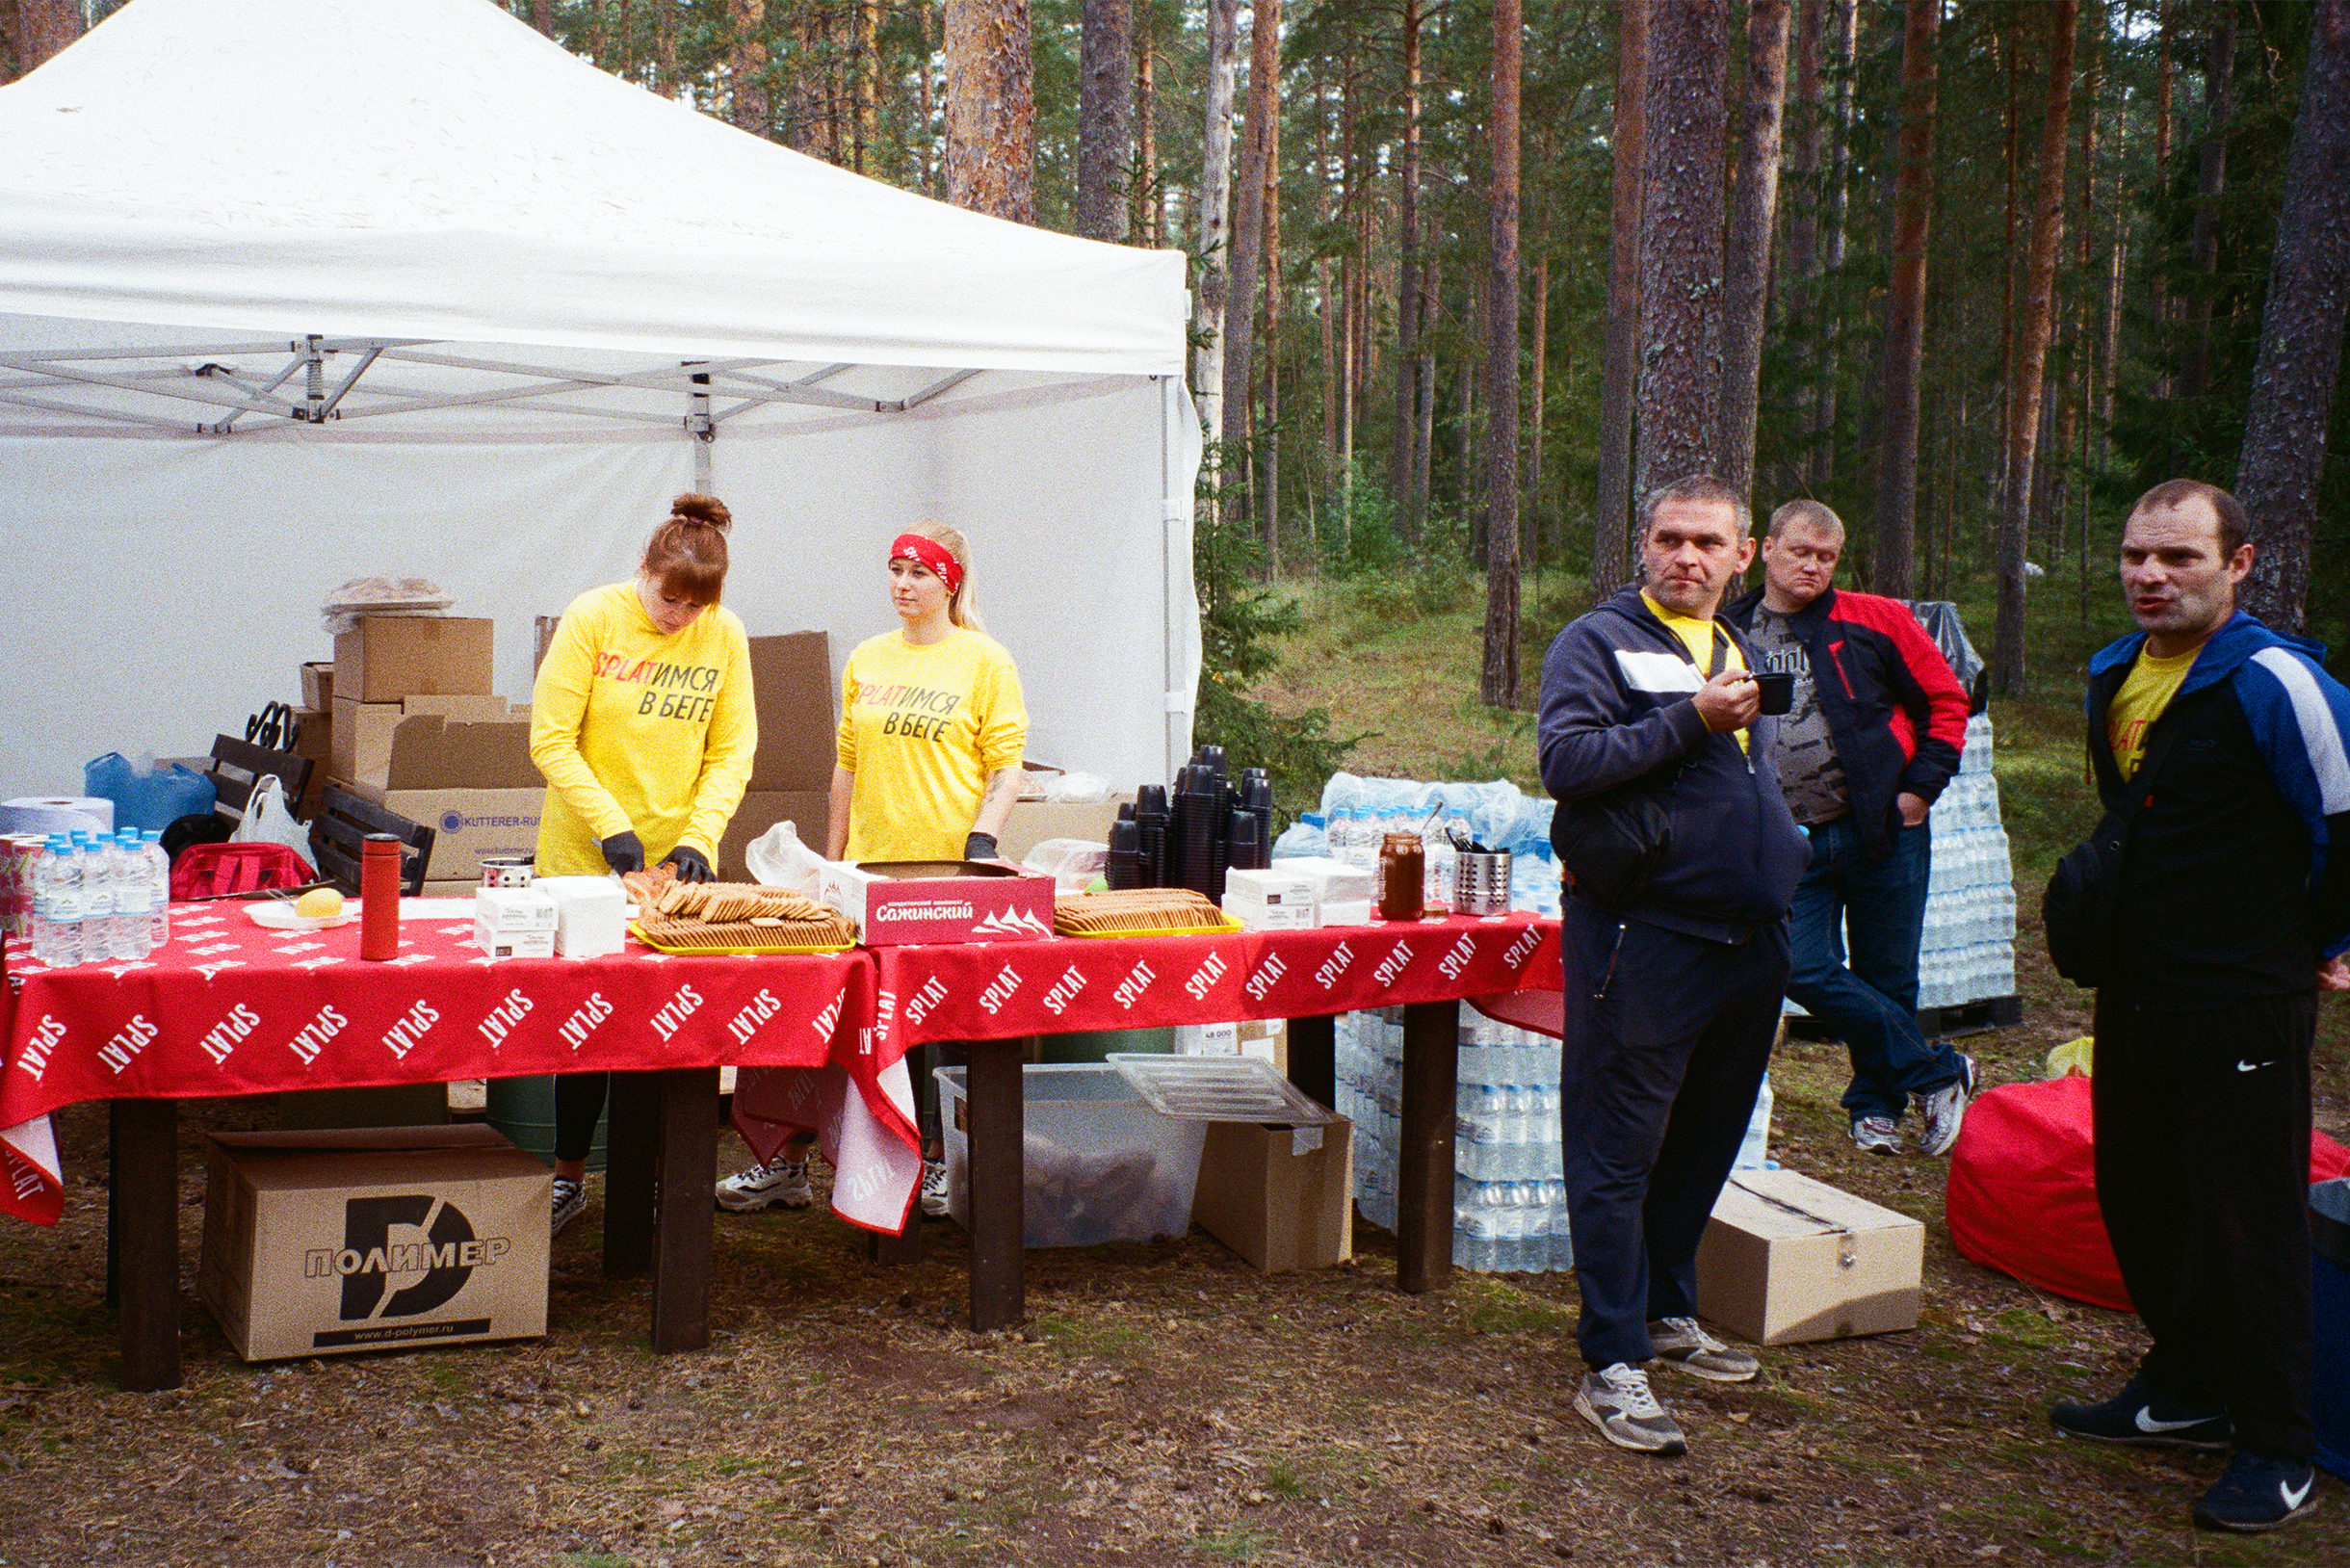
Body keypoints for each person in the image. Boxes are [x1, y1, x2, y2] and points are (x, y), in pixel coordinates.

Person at [2048, 479, 2350, 1533]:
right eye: (2137, 554)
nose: (2151, 575)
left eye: (2179, 557)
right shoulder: (2115, 671)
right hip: (2139, 983)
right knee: (2143, 1193)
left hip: (2242, 994)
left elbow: (2345, 815)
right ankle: (2187, 1387)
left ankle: (2276, 1442)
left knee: (2244, 1214)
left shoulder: (2276, 681)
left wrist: (2326, 941)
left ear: (2239, 563)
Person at [1538, 473, 1810, 1455]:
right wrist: (1690, 718)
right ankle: (1611, 1358)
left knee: (1703, 1138)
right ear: (1643, 542)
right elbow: (1566, 763)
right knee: (1617, 1146)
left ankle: (1663, 1310)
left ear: (1744, 555)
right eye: (1669, 538)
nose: (1686, 557)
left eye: (1708, 542)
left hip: (1749, 938)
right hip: (1644, 934)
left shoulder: (1737, 642)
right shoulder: (1597, 642)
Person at [714, 522, 1027, 1220]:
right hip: (866, 876)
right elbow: (846, 766)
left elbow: (1007, 766)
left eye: (919, 573)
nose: (902, 584)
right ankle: (789, 1163)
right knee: (829, 1017)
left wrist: (981, 842)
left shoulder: (984, 660)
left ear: (950, 583)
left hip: (942, 878)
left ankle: (934, 1163)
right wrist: (832, 862)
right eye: (894, 569)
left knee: (933, 1024)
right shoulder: (868, 657)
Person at [530, 493, 756, 1236]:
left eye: (696, 606)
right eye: (669, 599)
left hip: (673, 870)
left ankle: (656, 1180)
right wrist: (610, 826)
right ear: (644, 569)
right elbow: (550, 739)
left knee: (665, 1027)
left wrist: (701, 838)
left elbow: (732, 751)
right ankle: (569, 1177)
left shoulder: (725, 634)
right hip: (584, 857)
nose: (679, 617)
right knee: (584, 1029)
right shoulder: (592, 617)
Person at [1727, 500, 1977, 1157]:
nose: (1812, 566)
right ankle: (1938, 1071)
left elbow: (1946, 699)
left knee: (1888, 972)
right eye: (1800, 551)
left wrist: (1919, 791)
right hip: (1789, 838)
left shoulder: (1876, 619)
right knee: (1798, 965)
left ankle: (1876, 1109)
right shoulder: (1731, 631)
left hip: (1882, 829)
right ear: (1766, 549)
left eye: (1826, 556)